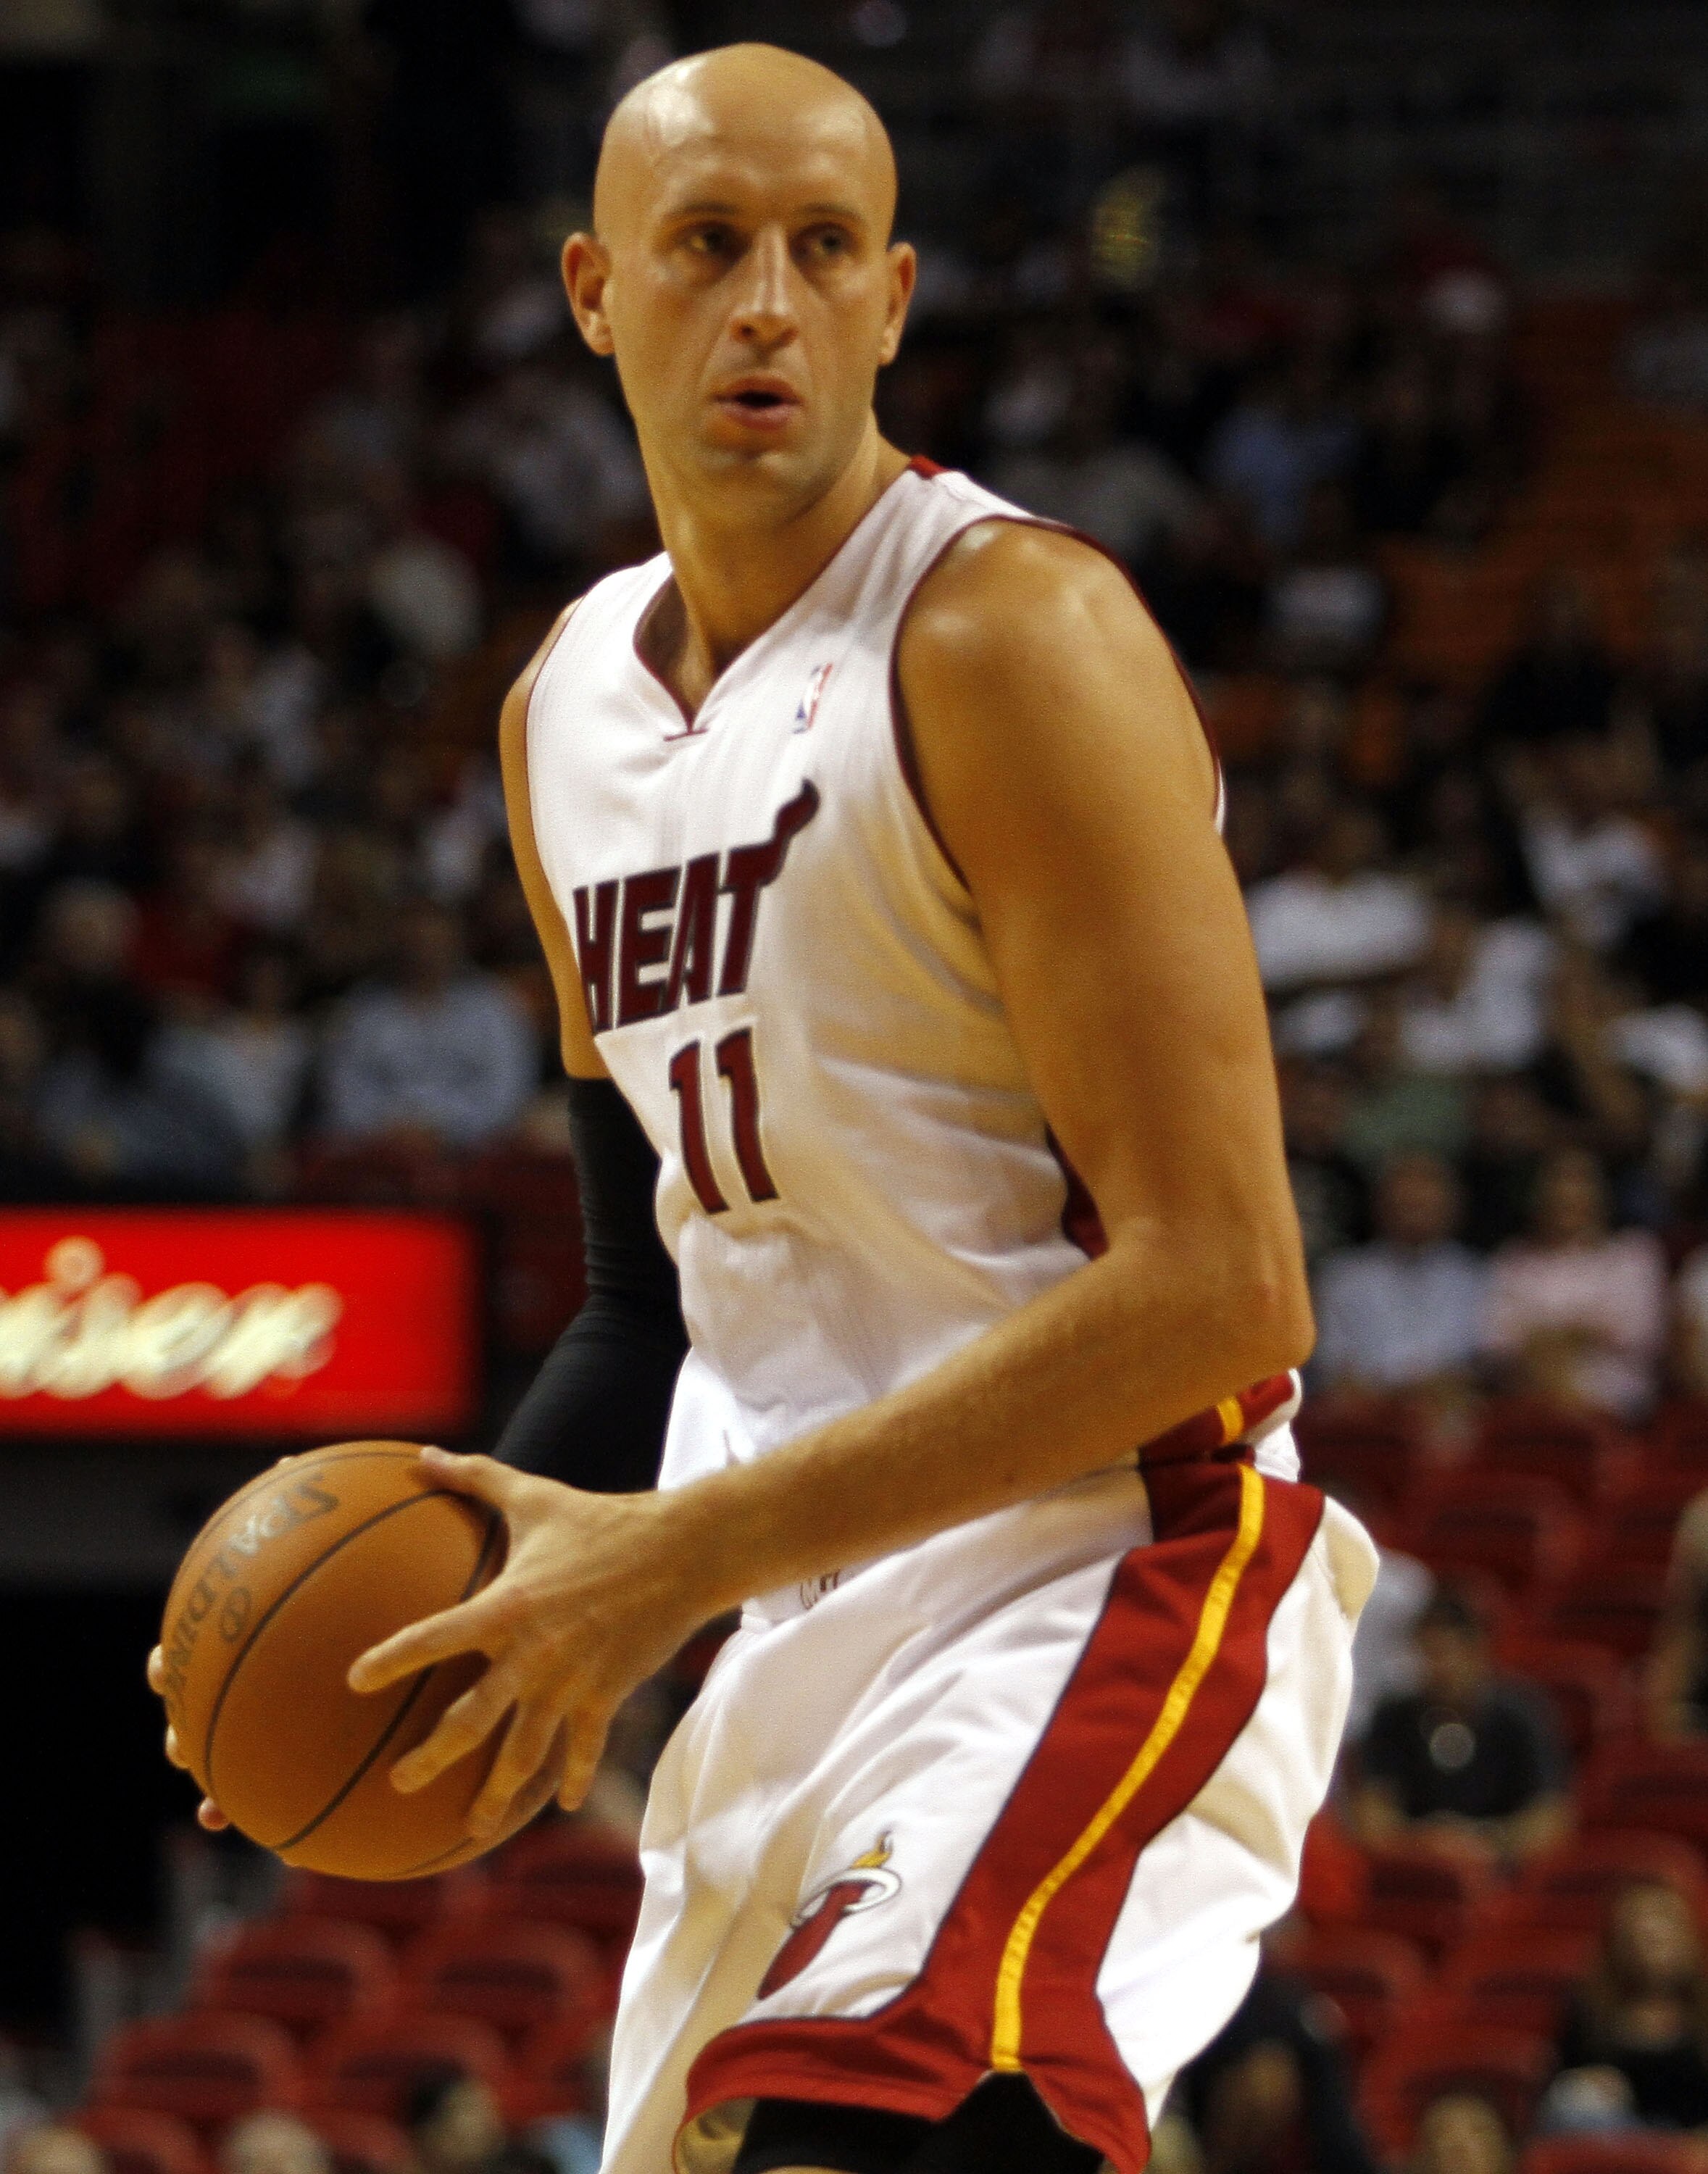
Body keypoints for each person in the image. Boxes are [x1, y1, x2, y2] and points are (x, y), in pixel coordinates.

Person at [153, 46, 1375, 2174]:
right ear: (591, 292)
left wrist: (660, 1569)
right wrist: (453, 1625)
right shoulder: (562, 719)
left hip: (1099, 1567)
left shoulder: (1009, 634)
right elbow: (653, 1302)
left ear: (894, 300)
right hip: (788, 1618)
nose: (766, 306)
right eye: (707, 247)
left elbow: (1222, 1283)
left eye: (823, 252)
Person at [1350, 1585, 1570, 1867]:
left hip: (1501, 1877)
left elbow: (1550, 1819)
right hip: (1417, 1871)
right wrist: (1428, 1843)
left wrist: (1481, 1841)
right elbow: (1372, 1817)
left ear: (1478, 1650)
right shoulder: (1394, 1718)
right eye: (1429, 1653)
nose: (1440, 1666)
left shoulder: (1520, 1715)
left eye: (1450, 1652)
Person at [1480, 1146, 1668, 1422]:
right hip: (1532, 1414)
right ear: (1537, 1196)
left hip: (1622, 1418)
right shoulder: (1512, 1261)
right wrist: (1585, 1333)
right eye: (1557, 1181)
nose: (1567, 1192)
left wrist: (1552, 1336)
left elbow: (1644, 1334)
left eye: (1580, 1181)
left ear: (1602, 1193)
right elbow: (1495, 1346)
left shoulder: (1634, 1254)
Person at [1312, 1152, 1488, 1398]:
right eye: (1406, 1205)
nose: (1414, 1214)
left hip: (1446, 1412)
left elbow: (1477, 1362)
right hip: (1364, 1413)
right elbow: (1332, 1364)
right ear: (1380, 1205)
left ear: (1452, 1207)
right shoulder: (1344, 1276)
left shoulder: (1473, 1276)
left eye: (1426, 1206)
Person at [1543, 1881, 1708, 2132]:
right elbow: (1563, 2075)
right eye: (1640, 1932)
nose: (1650, 1936)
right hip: (1615, 2138)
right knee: (1576, 2099)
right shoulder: (1590, 2011)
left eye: (1661, 1930)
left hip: (1693, 2144)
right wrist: (1589, 2079)